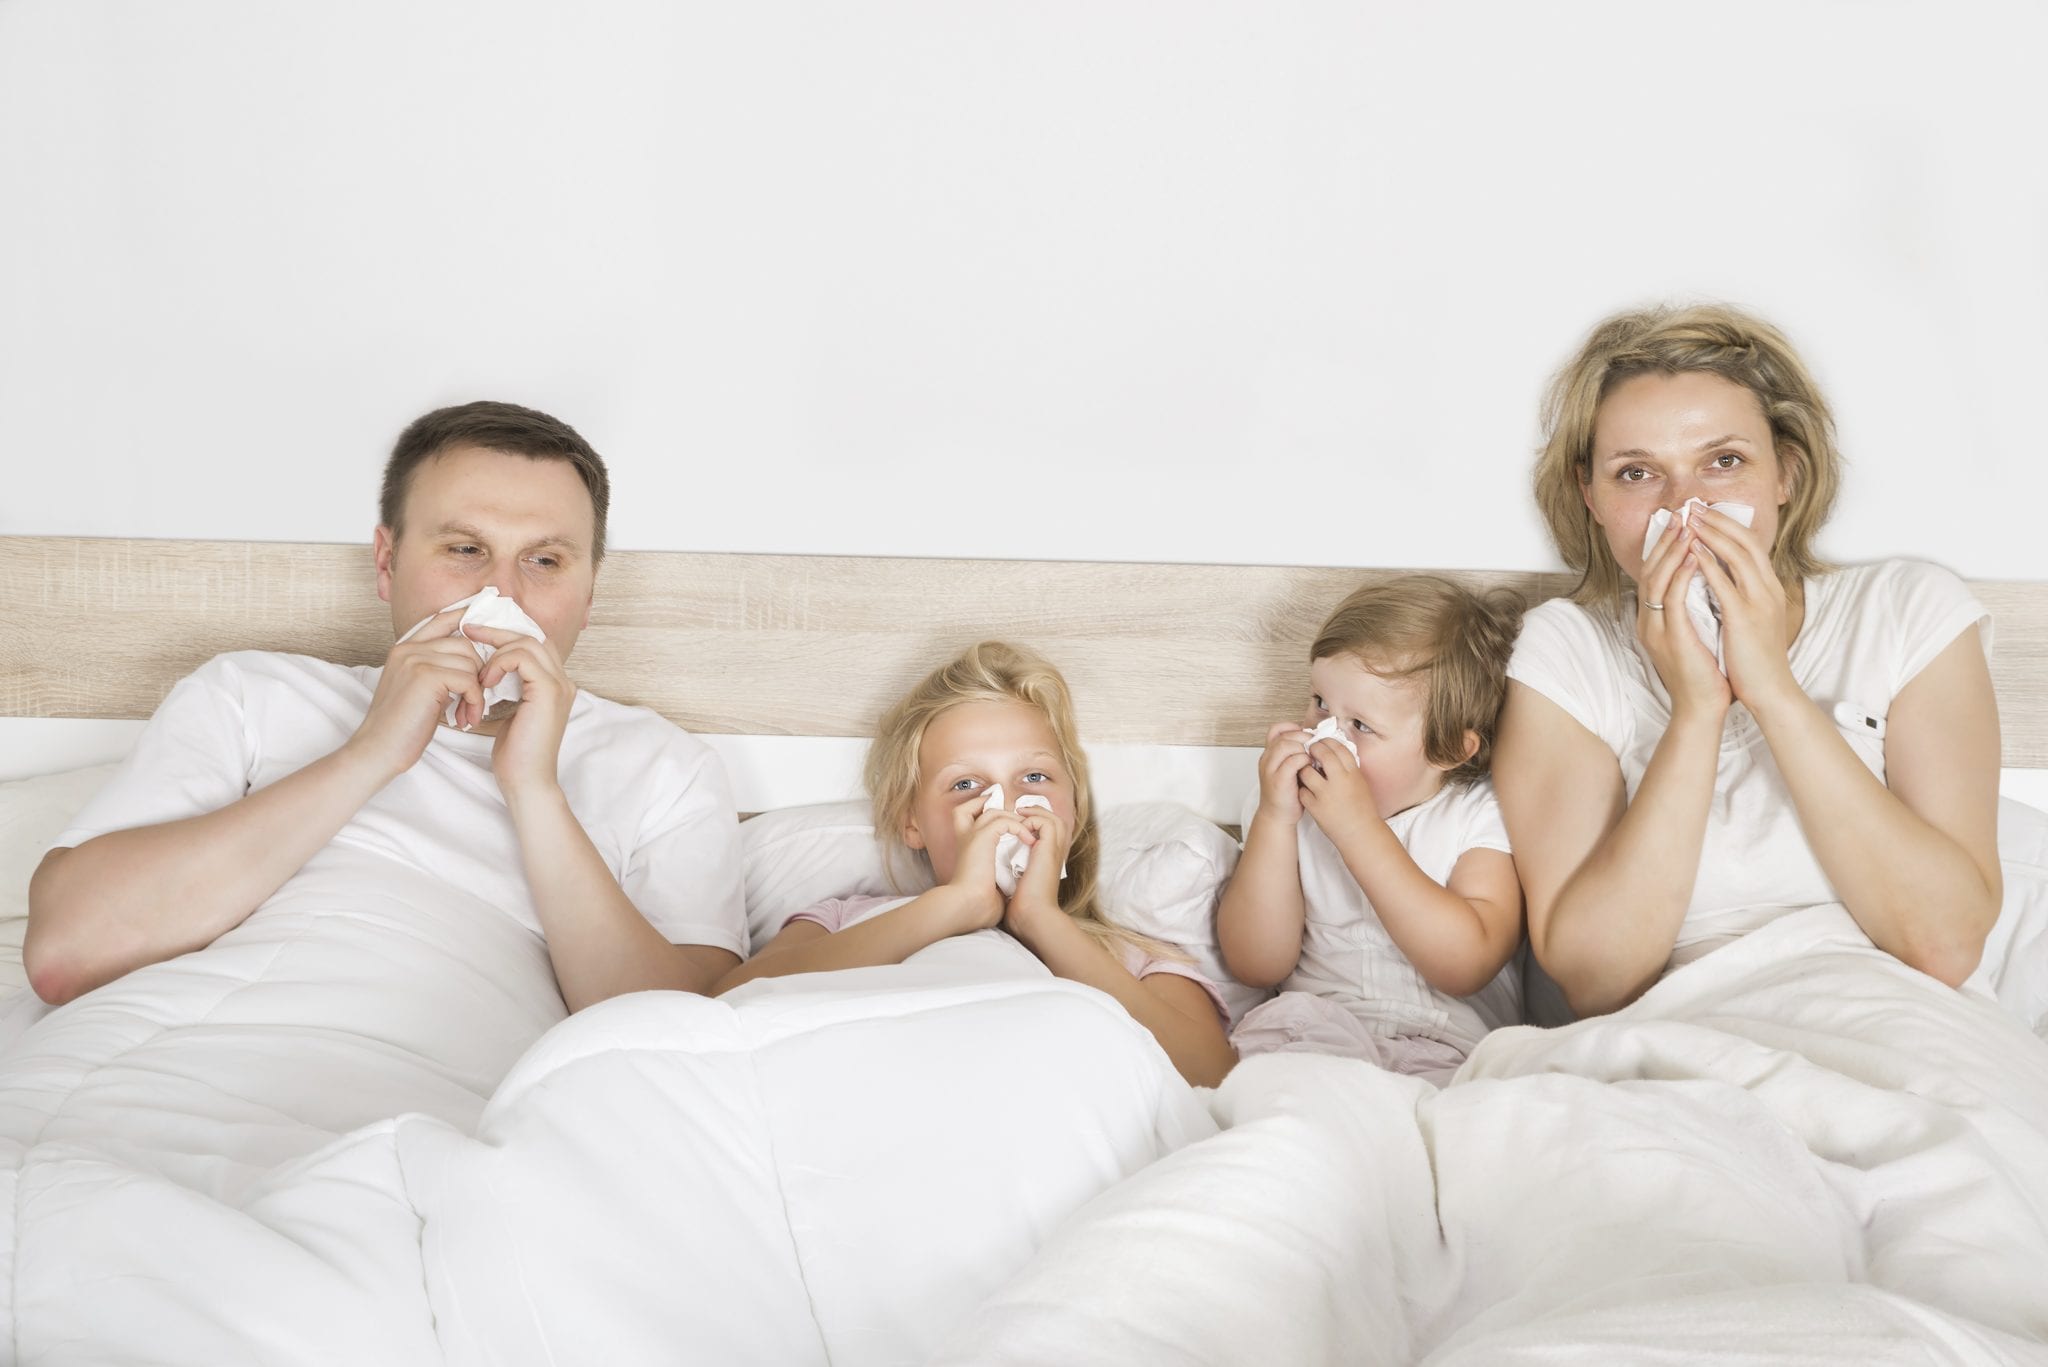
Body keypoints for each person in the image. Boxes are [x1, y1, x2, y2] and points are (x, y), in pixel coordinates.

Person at [26, 400, 746, 1012]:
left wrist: (534, 790)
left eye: (546, 560)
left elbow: (678, 1042)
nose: (501, 596)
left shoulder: (664, 767)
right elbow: (65, 954)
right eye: (465, 548)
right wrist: (370, 754)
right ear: (385, 562)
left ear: (590, 594)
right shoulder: (249, 694)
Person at [1494, 303, 2002, 1018]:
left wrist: (1773, 691)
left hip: (1896, 1022)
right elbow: (1596, 976)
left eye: (1723, 462)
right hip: (1678, 1040)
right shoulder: (1568, 653)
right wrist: (1697, 711)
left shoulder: (1907, 612)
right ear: (1593, 498)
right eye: (1638, 473)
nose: (1687, 507)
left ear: (1785, 474)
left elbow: (1944, 944)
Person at [718, 640, 1237, 1087]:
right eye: (966, 784)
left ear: (1073, 812)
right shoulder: (845, 920)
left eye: (1034, 778)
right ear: (912, 823)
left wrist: (1042, 919)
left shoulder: (1129, 953)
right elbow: (726, 1007)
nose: (1004, 805)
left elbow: (1209, 1074)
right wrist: (957, 904)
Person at [1217, 576, 1526, 1081]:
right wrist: (1275, 819)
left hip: (1443, 1043)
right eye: (1319, 702)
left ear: (1448, 750)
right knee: (1265, 1087)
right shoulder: (1284, 804)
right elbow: (1256, 963)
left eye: (1360, 725)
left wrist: (1359, 830)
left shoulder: (1477, 816)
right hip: (1312, 1029)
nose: (1325, 734)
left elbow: (1467, 964)